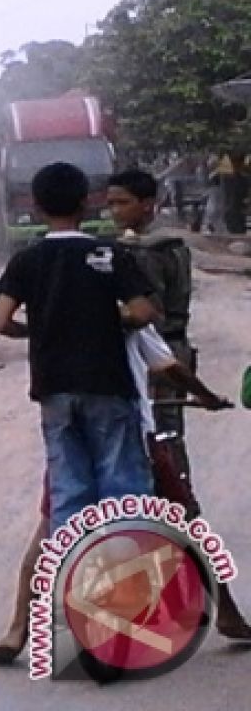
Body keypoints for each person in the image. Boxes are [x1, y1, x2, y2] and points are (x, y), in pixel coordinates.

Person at [0, 325, 234, 665]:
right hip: (131, 439)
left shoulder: (63, 314)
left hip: (76, 441)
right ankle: (228, 614)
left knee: (51, 528)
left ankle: (17, 631)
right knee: (186, 524)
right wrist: (205, 395)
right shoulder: (129, 317)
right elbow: (166, 365)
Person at [107, 167, 251, 638]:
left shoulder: (146, 253)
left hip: (156, 368)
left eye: (123, 202)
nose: (116, 212)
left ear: (148, 204)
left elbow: (148, 322)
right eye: (111, 204)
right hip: (154, 366)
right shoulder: (161, 248)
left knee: (168, 486)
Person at [0, 161, 157, 532]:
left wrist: (40, 330)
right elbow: (144, 312)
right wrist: (108, 323)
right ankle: (125, 575)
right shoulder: (110, 254)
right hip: (107, 382)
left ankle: (70, 580)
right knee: (122, 487)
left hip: (53, 386)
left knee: (69, 489)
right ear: (86, 203)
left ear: (37, 207)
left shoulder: (27, 260)